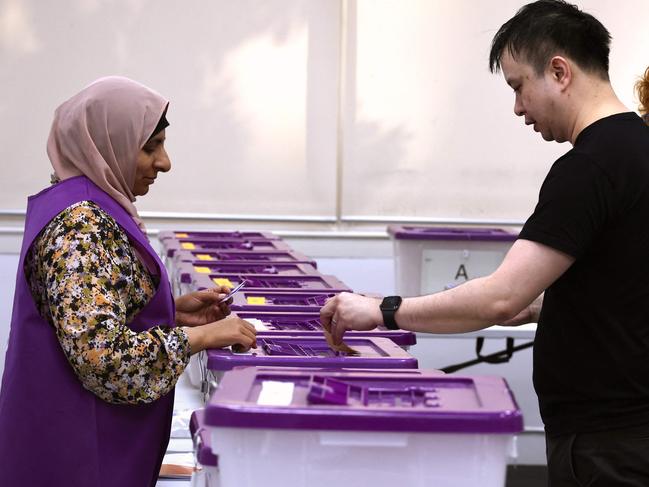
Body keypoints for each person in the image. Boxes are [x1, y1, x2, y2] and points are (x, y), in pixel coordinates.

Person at [321, 1, 649, 485]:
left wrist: (383, 311)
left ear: (559, 71)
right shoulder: (638, 149)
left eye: (519, 86)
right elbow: (624, 283)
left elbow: (500, 297)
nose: (518, 108)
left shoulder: (589, 168)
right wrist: (548, 307)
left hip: (605, 446)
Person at [0, 77, 257, 487]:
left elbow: (95, 311)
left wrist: (171, 312)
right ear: (107, 142)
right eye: (150, 147)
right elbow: (107, 359)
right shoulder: (79, 227)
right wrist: (205, 337)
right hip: (72, 460)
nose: (165, 162)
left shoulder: (90, 206)